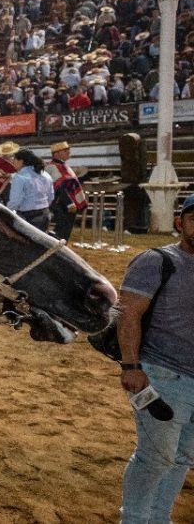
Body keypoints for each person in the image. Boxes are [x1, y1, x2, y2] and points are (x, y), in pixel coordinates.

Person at [117, 194, 194, 524]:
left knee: (182, 458)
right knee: (155, 458)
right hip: (163, 375)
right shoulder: (156, 261)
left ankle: (160, 518)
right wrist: (131, 366)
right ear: (180, 223)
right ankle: (134, 519)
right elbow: (128, 314)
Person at [45, 140, 87, 242]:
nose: (69, 152)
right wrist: (69, 203)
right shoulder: (54, 167)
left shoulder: (62, 165)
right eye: (65, 150)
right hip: (62, 203)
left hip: (64, 203)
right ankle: (57, 249)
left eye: (68, 150)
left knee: (64, 230)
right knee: (62, 231)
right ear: (56, 154)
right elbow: (59, 187)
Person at [6, 148, 54, 232]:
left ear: (21, 161)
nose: (13, 162)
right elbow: (51, 197)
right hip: (45, 213)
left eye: (14, 160)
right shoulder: (45, 174)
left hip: (28, 217)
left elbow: (15, 201)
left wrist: (6, 211)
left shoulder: (19, 177)